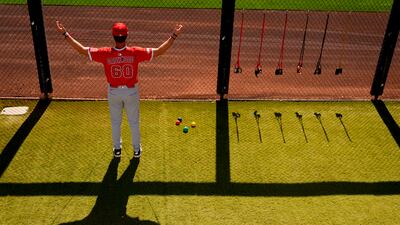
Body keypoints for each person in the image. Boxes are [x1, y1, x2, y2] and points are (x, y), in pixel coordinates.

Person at [56, 20, 183, 158]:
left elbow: (81, 50)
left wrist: (64, 33)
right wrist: (174, 35)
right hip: (131, 92)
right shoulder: (135, 52)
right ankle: (136, 150)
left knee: (116, 122)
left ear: (113, 36)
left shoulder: (105, 53)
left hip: (114, 92)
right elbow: (159, 51)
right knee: (134, 122)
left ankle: (117, 149)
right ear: (126, 35)